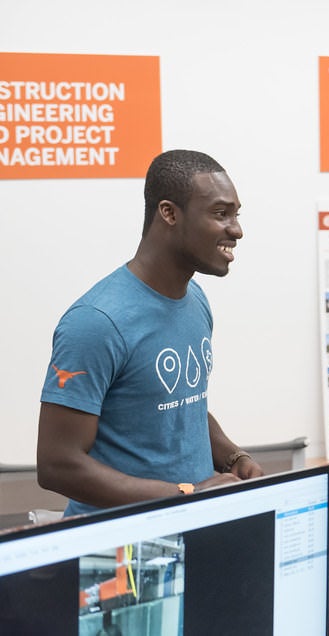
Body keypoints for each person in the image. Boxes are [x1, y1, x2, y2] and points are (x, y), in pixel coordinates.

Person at [37, 149, 263, 517]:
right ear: (169, 213)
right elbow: (57, 464)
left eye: (237, 214)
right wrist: (185, 494)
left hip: (188, 528)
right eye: (221, 214)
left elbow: (178, 404)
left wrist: (233, 456)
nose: (236, 229)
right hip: (119, 553)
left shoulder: (196, 299)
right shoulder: (96, 321)